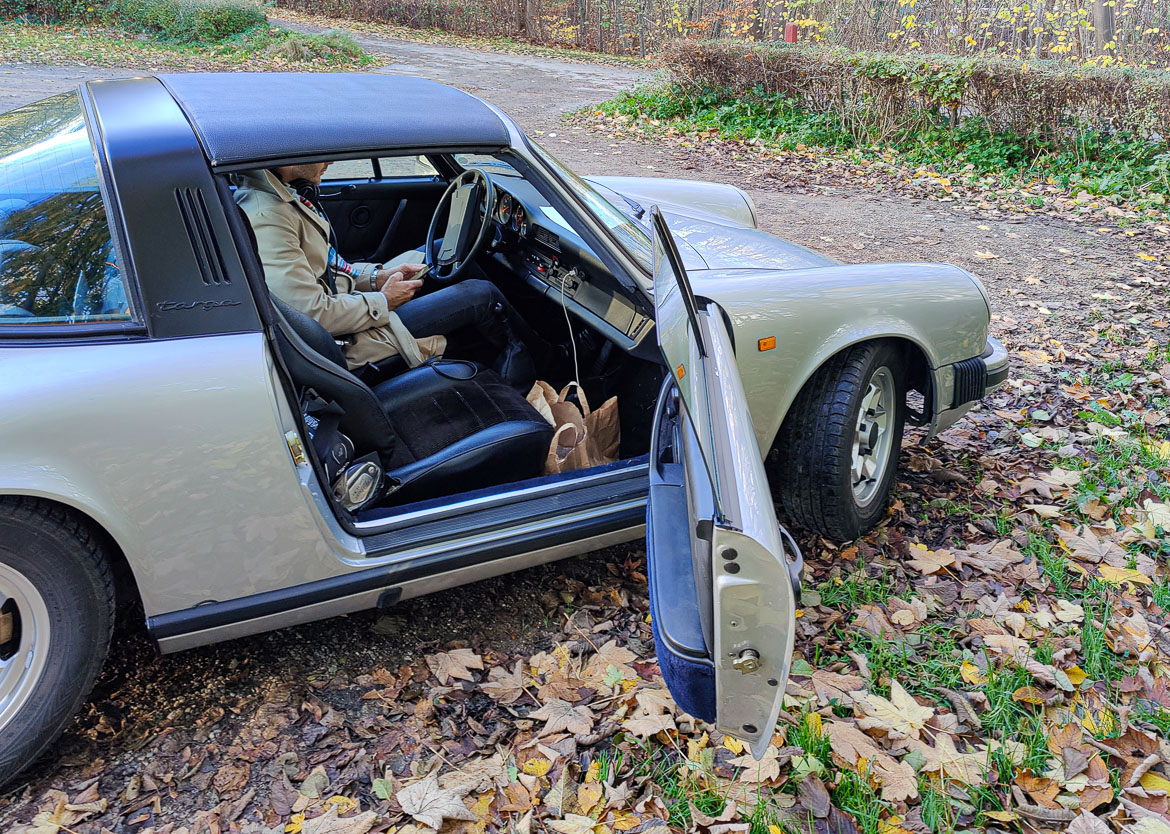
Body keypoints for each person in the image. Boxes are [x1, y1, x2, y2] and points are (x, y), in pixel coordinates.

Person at [234, 163, 537, 386]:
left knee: (445, 250)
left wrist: (378, 277)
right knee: (481, 296)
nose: (330, 162)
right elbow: (312, 314)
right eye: (320, 155)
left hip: (353, 305)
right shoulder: (268, 218)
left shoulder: (285, 198)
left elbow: (330, 268)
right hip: (350, 338)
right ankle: (544, 363)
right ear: (289, 160)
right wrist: (383, 301)